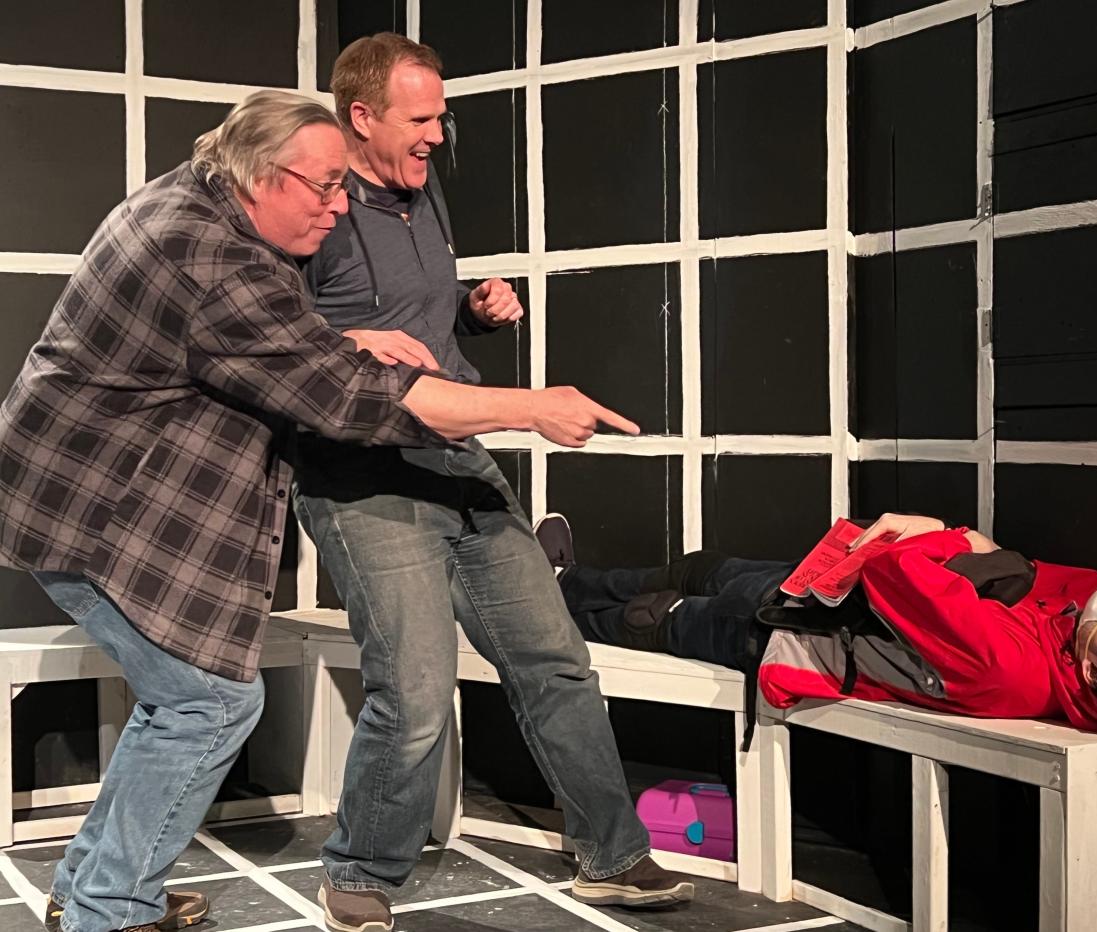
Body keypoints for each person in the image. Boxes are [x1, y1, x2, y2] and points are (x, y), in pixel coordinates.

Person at [0, 91, 636, 932]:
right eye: (326, 187)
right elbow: (344, 397)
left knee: (186, 699)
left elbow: (255, 340)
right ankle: (108, 912)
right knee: (209, 704)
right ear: (263, 175)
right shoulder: (210, 254)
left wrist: (342, 337)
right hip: (95, 509)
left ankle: (95, 887)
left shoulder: (198, 192)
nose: (341, 207)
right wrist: (533, 407)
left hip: (76, 495)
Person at [293, 34, 692, 932]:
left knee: (555, 659)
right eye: (421, 117)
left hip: (458, 459)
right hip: (362, 477)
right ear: (361, 116)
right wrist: (357, 343)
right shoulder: (311, 202)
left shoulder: (419, 190)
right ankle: (359, 869)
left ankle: (612, 855)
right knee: (419, 685)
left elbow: (414, 317)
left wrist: (472, 310)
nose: (439, 135)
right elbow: (274, 335)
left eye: (442, 116)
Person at [535, 512, 1097, 744]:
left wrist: (947, 534)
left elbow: (901, 570)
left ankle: (538, 606)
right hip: (823, 592)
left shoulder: (1009, 667)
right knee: (698, 569)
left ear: (1092, 673)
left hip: (794, 636)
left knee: (661, 618)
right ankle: (559, 580)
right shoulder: (1093, 640)